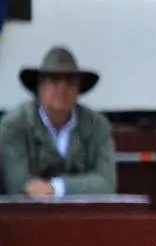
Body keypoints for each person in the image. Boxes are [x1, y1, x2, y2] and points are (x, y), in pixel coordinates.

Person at [0, 46, 117, 197]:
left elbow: (107, 184)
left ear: (79, 89)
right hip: (30, 216)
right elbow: (17, 185)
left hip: (83, 216)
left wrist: (56, 187)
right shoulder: (14, 125)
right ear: (39, 86)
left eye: (70, 82)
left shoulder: (97, 125)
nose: (62, 88)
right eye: (54, 81)